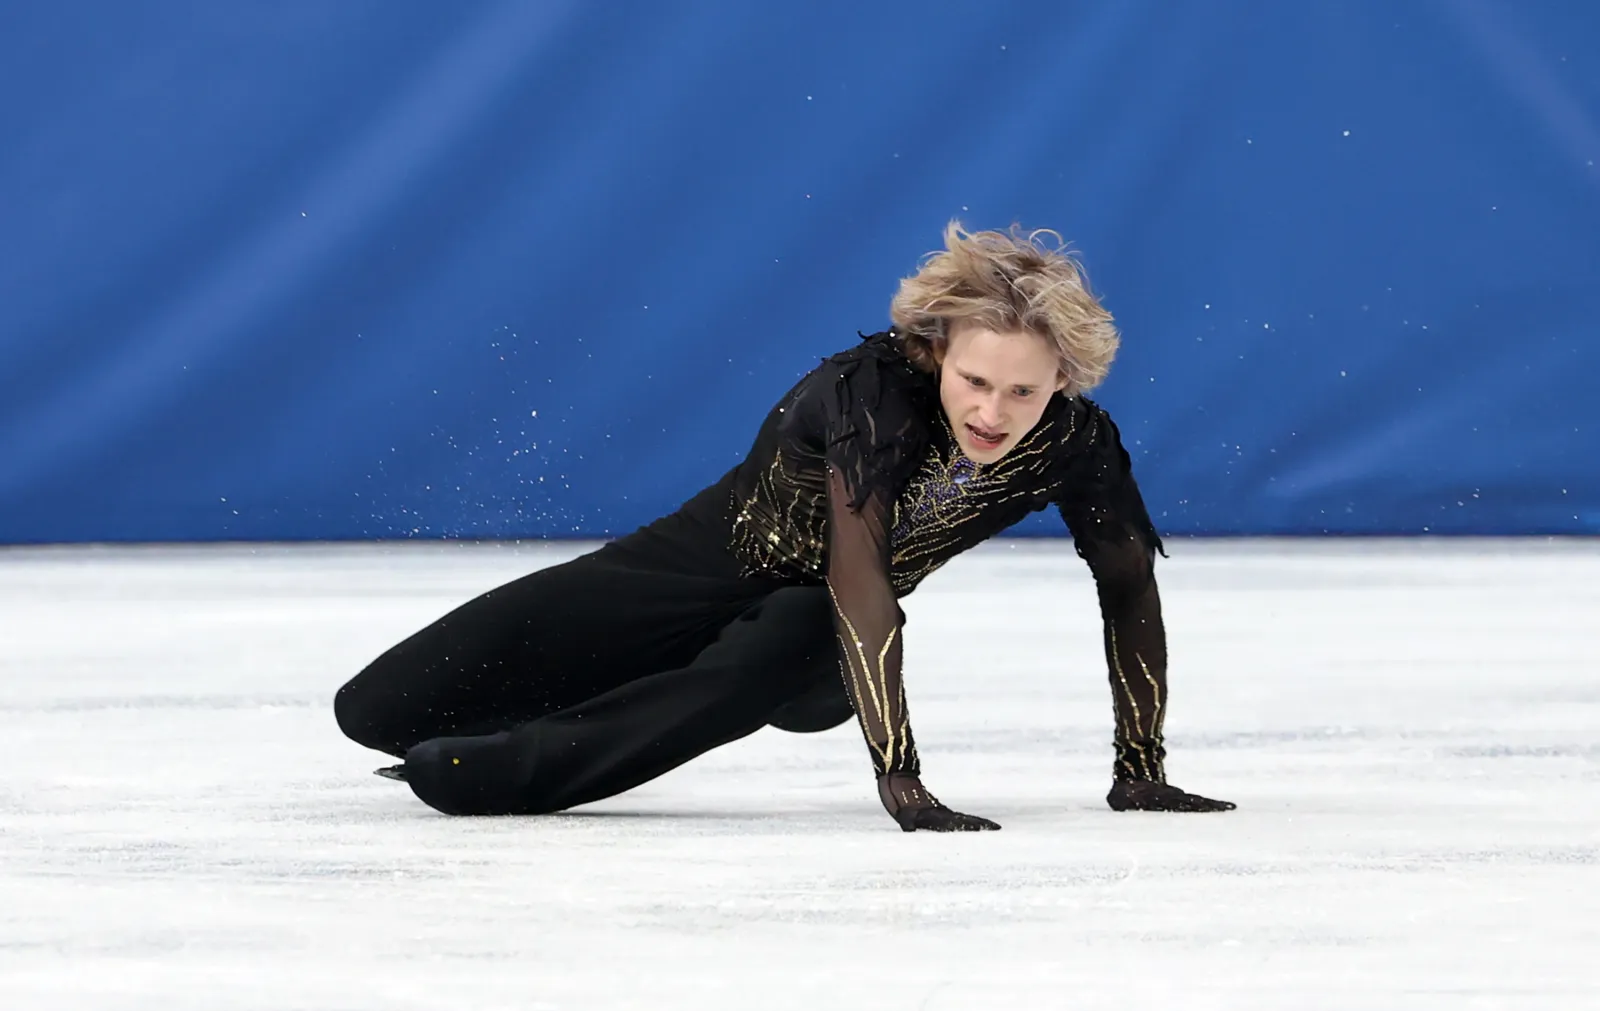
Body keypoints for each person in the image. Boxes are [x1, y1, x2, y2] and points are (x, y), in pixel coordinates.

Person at [333, 222, 1234, 831]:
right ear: (937, 354)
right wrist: (901, 774)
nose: (995, 413)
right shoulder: (869, 394)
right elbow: (859, 564)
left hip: (818, 648)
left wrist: (1139, 765)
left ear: (1061, 385)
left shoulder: (1076, 442)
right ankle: (517, 723)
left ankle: (517, 771)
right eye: (975, 381)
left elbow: (1127, 587)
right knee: (373, 710)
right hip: (694, 568)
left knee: (795, 626)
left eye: (1023, 391)